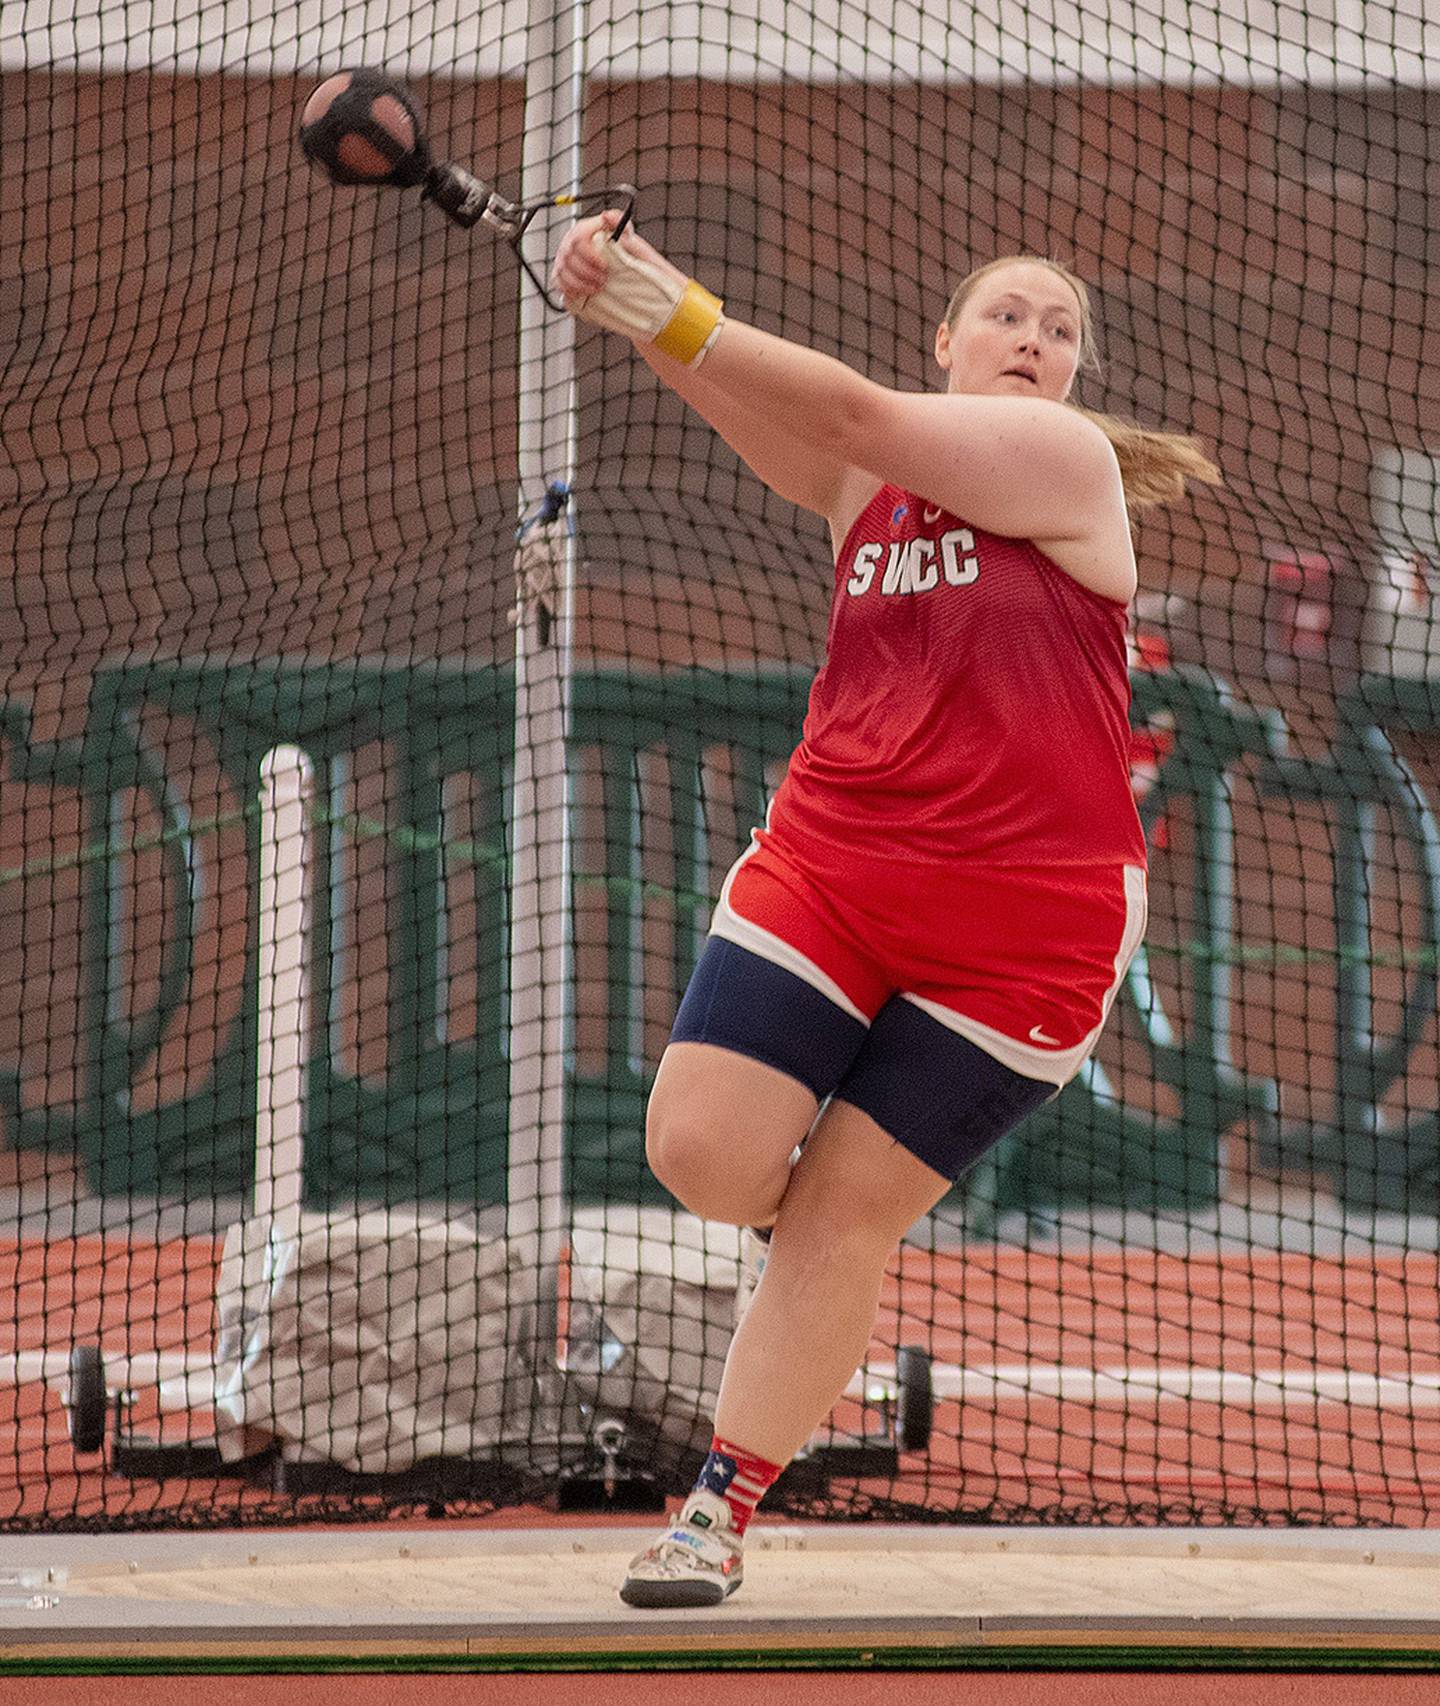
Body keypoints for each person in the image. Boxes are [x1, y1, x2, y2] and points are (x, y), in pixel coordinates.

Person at [549, 215, 1220, 1608]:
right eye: (1007, 317)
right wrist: (621, 308)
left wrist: (669, 300)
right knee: (697, 1152)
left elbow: (846, 404)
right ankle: (815, 1261)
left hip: (1023, 931)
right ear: (948, 346)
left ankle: (718, 1511)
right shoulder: (867, 480)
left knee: (841, 1219)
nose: (1034, 338)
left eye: (1059, 329)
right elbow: (787, 412)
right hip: (838, 866)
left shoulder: (1068, 463)